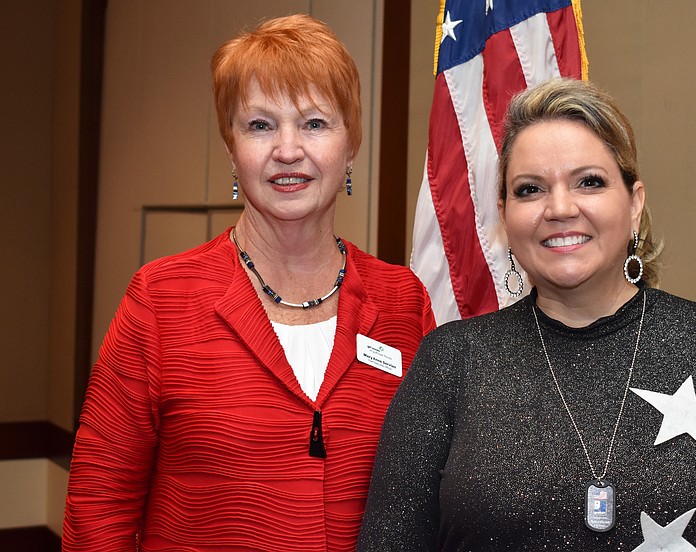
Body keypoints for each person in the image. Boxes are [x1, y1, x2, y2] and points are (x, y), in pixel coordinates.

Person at [356, 78, 696, 551]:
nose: (560, 208)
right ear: (505, 214)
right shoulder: (450, 361)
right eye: (530, 189)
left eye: (589, 182)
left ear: (634, 203)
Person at [63, 14, 435, 551]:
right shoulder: (160, 299)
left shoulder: (403, 302)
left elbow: (429, 496)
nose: (287, 150)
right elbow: (99, 505)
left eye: (314, 123)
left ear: (351, 145)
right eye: (260, 125)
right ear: (231, 149)